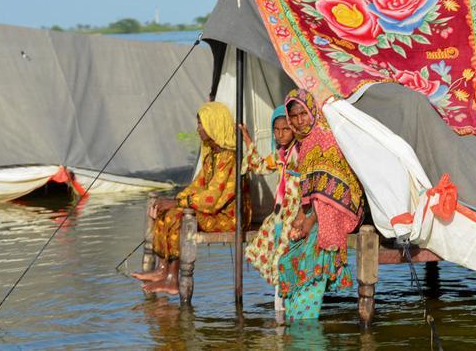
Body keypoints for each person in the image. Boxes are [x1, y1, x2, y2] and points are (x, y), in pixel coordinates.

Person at [133, 101, 250, 294]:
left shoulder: (230, 158)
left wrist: (177, 203)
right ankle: (163, 269)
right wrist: (171, 201)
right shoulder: (211, 156)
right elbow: (197, 186)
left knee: (175, 217)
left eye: (201, 124)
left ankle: (173, 280)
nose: (198, 129)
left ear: (214, 124)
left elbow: (212, 199)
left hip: (230, 218)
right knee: (167, 212)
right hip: (214, 212)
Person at [277, 88, 365, 322]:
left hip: (344, 206)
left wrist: (308, 221)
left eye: (302, 114)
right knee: (289, 248)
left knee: (313, 249)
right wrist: (300, 215)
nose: (298, 121)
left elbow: (327, 188)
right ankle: (301, 309)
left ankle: (305, 313)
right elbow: (312, 188)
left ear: (311, 110)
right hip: (321, 206)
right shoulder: (305, 142)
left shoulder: (324, 135)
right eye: (293, 116)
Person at [240, 105, 300, 315]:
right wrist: (248, 140)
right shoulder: (280, 154)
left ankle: (282, 297)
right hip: (282, 212)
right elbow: (260, 166)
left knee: (282, 253)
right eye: (276, 130)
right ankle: (281, 295)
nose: (281, 134)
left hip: (296, 212)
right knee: (265, 243)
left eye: (286, 129)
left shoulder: (298, 153)